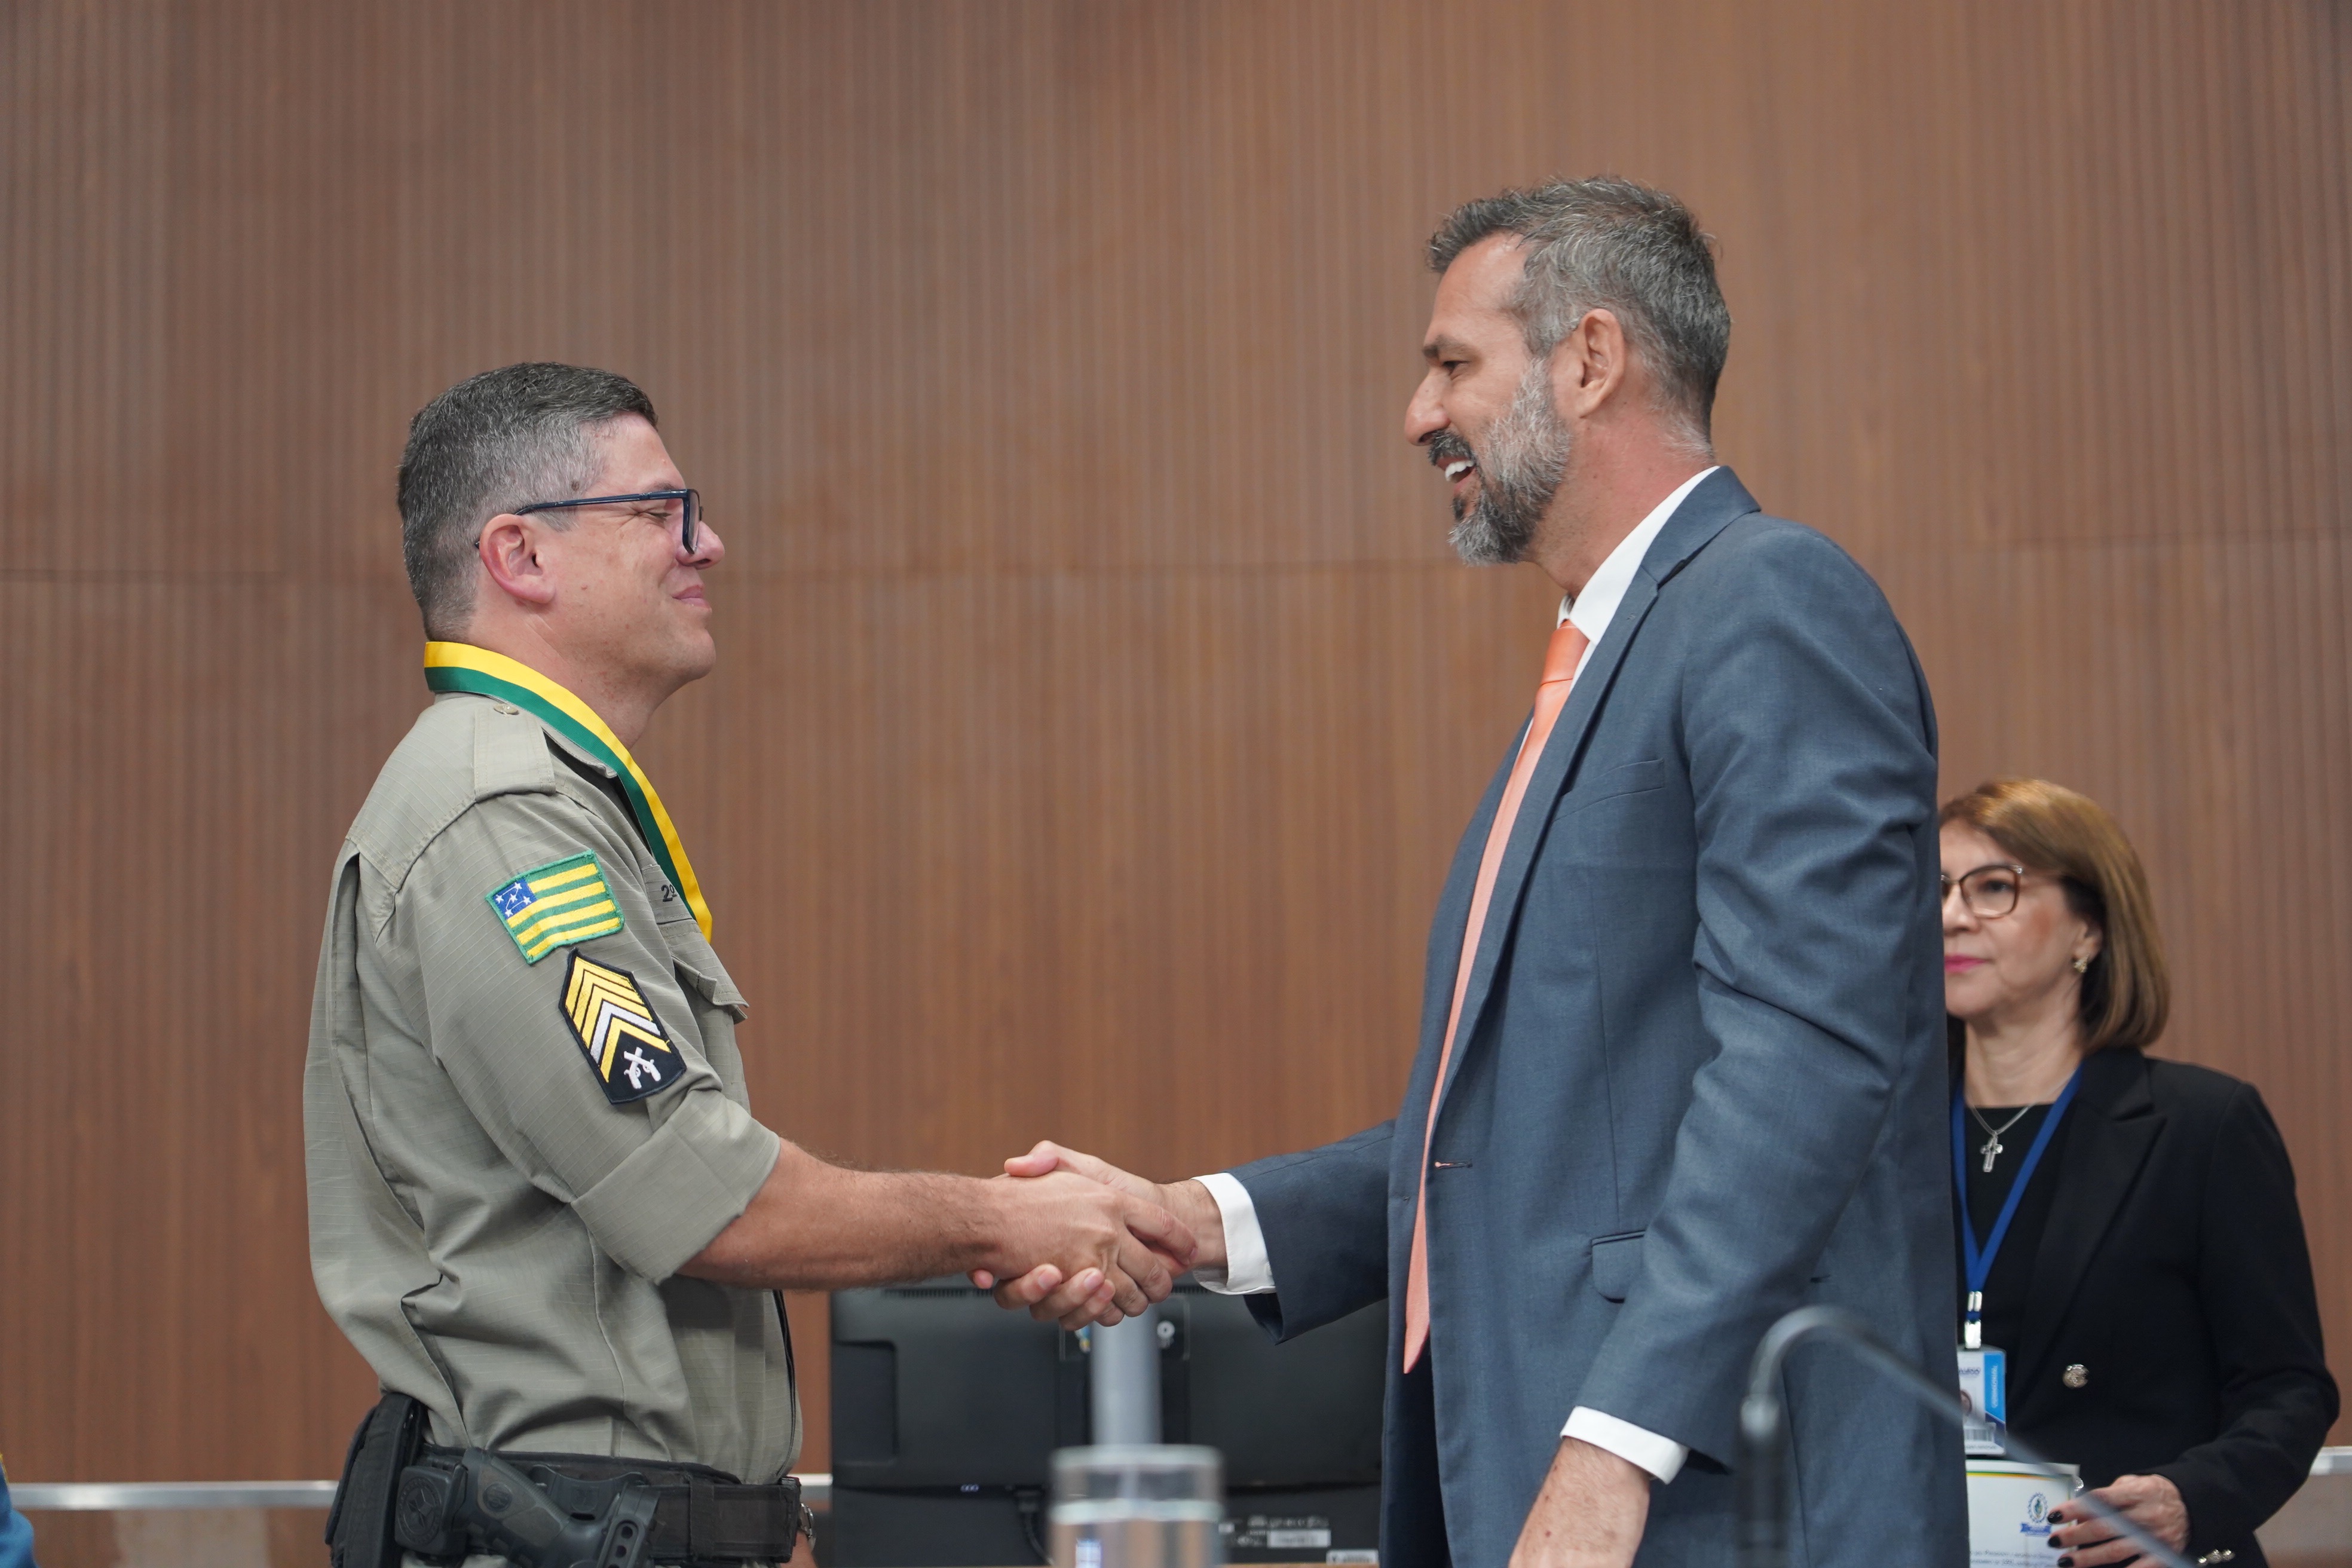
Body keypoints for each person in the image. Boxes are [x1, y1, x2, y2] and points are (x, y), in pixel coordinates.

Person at [989, 178, 1964, 1567]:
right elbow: (1525, 1135)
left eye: (1453, 363)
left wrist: (1617, 1441)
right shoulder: (1602, 670)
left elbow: (1803, 1060)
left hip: (1711, 1501)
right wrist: (1199, 1221)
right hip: (1546, 1481)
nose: (1418, 413)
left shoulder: (1767, 599)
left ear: (1590, 359)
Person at [304, 363, 1190, 1562]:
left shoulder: (547, 799)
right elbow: (706, 1199)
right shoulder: (500, 820)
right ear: (521, 554)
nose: (706, 544)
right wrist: (1002, 1220)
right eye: (661, 511)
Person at [1940, 779, 2335, 1567]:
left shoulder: (2202, 1127)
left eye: (1993, 888)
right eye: (1938, 888)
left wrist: (2195, 1499)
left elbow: (2288, 1389)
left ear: (2089, 928)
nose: (1952, 915)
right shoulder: (1886, 1139)